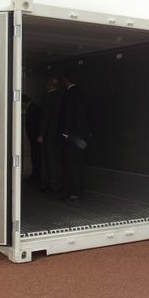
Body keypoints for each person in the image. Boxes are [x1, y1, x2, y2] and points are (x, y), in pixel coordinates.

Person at [59, 70, 90, 201]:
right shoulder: (83, 93)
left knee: (71, 163)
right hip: (83, 134)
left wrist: (65, 132)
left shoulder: (69, 94)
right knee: (80, 162)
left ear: (66, 80)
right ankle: (81, 187)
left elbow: (68, 114)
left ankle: (74, 190)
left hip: (72, 135)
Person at [37, 77, 62, 192]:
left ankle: (51, 183)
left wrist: (41, 134)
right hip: (59, 132)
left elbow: (45, 117)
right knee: (57, 158)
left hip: (48, 133)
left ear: (49, 85)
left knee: (48, 158)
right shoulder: (61, 96)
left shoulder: (46, 98)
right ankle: (57, 182)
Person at [22, 94, 42, 183]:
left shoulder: (33, 108)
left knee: (36, 156)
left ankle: (36, 176)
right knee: (34, 155)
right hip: (34, 136)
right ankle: (35, 175)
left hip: (35, 136)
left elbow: (34, 123)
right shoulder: (33, 107)